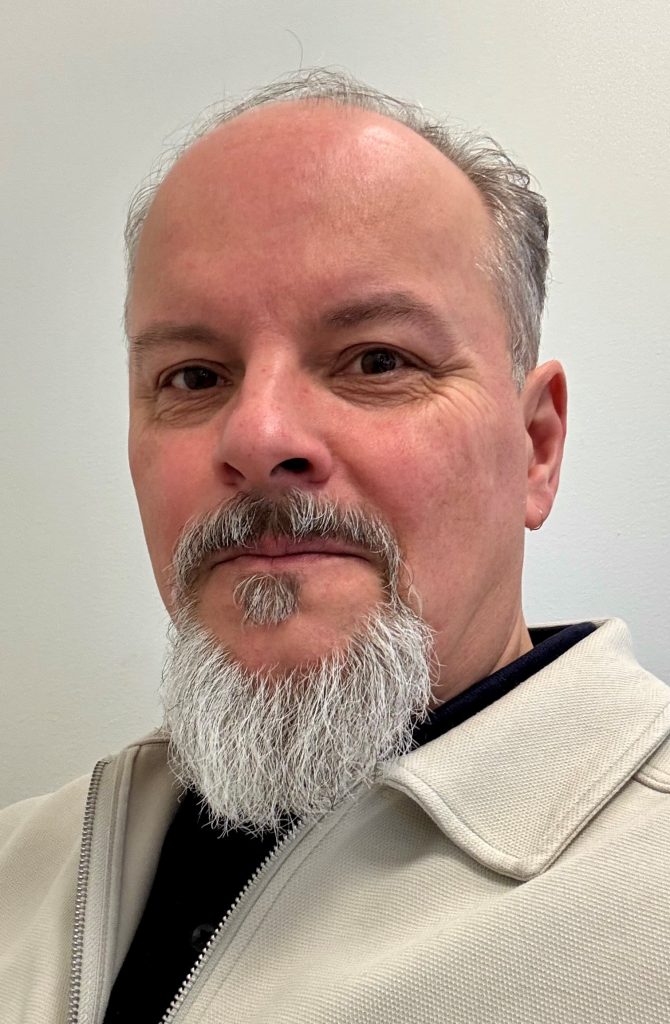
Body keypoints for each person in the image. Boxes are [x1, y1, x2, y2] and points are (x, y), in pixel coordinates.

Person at [2, 69, 669, 1024]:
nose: (258, 435)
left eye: (378, 361)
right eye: (194, 376)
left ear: (536, 447)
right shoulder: (23, 869)